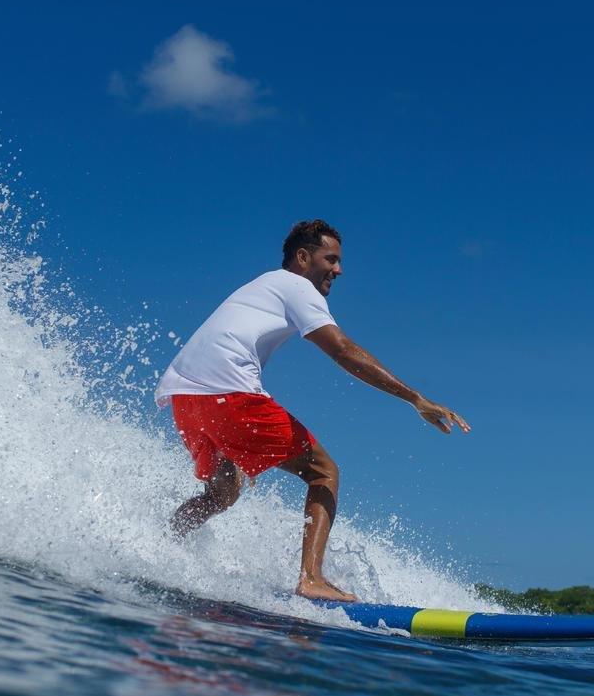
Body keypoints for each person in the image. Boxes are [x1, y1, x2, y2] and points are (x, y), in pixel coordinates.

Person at [154, 219, 470, 602]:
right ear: (303, 258)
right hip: (228, 392)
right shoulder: (296, 285)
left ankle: (158, 543)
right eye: (331, 259)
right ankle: (311, 578)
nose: (339, 270)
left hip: (185, 399)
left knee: (222, 493)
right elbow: (342, 349)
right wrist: (415, 398)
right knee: (324, 471)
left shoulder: (263, 285)